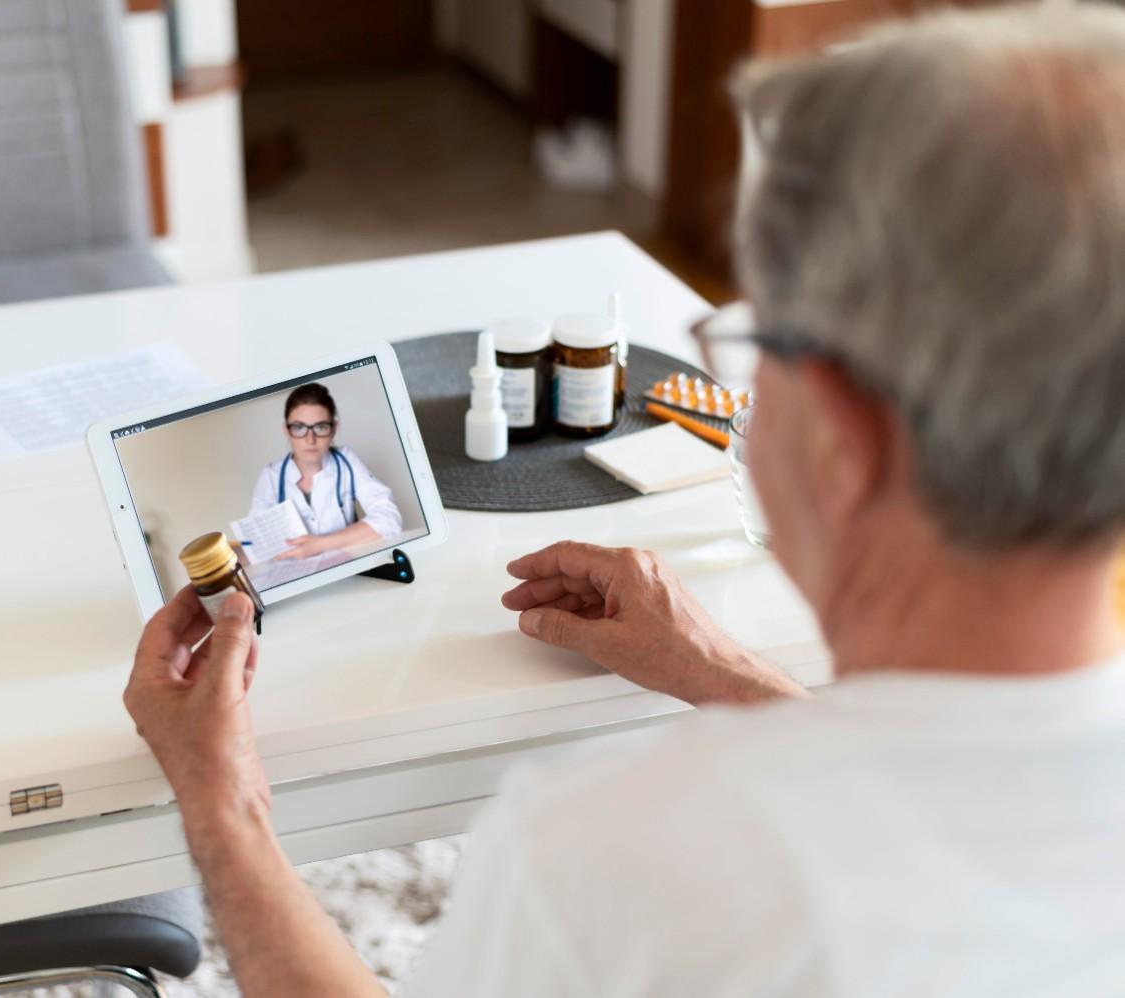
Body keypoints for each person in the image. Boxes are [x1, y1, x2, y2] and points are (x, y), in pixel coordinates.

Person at [124, 7, 1125, 996]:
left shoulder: (615, 860)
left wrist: (221, 800)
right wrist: (725, 671)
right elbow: (943, 796)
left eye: (755, 345)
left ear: (843, 433)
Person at [246, 382, 403, 561]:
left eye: (320, 427)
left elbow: (389, 520)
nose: (310, 439)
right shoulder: (271, 476)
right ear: (286, 431)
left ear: (333, 429)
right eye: (299, 427)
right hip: (297, 577)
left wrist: (319, 544)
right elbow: (257, 544)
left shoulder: (346, 460)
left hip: (350, 568)